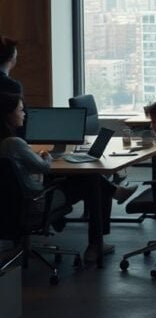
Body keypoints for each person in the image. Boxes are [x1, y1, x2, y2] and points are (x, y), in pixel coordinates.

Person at [0, 92, 115, 261]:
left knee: (80, 179)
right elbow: (44, 167)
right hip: (34, 203)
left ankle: (114, 192)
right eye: (21, 110)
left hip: (8, 206)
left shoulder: (6, 143)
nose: (24, 114)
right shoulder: (14, 143)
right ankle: (96, 244)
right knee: (91, 181)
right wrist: (46, 156)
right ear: (8, 114)